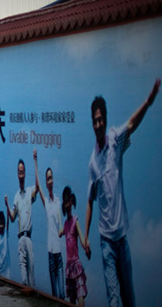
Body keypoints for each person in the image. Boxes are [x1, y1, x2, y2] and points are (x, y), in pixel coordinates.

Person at [84, 78, 160, 307]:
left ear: (105, 121)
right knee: (114, 300)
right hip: (106, 242)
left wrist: (147, 102)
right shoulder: (93, 163)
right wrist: (85, 236)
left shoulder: (115, 140)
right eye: (94, 121)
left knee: (129, 299)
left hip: (122, 239)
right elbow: (89, 201)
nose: (97, 124)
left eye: (100, 120)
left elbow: (131, 124)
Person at [34, 149, 65, 300]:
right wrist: (35, 161)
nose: (50, 181)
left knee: (62, 294)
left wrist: (61, 228)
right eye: (48, 179)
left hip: (58, 254)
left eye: (51, 178)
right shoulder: (46, 202)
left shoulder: (58, 201)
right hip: (50, 254)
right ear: (46, 183)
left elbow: (60, 219)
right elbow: (38, 185)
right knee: (55, 295)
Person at [5, 157, 38, 287]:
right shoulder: (16, 196)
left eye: (23, 171)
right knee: (23, 274)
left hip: (28, 237)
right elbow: (12, 218)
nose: (21, 174)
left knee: (31, 273)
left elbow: (38, 186)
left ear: (25, 172)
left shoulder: (29, 191)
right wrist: (7, 205)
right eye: (19, 171)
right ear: (17, 174)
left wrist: (35, 160)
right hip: (20, 238)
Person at [61, 186, 88, 306]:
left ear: (71, 202)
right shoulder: (66, 224)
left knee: (80, 294)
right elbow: (62, 232)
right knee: (71, 298)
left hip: (76, 265)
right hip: (69, 266)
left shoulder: (75, 221)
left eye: (68, 201)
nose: (67, 204)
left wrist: (86, 247)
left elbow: (82, 238)